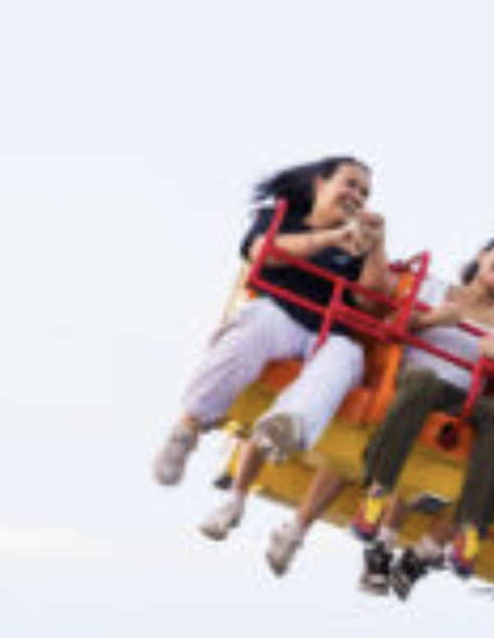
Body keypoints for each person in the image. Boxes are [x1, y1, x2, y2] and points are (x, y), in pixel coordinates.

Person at [153, 157, 392, 570]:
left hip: (324, 331)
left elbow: (372, 301)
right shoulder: (283, 217)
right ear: (321, 183)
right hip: (279, 313)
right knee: (254, 324)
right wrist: (331, 238)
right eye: (350, 185)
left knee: (348, 356)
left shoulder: (358, 245)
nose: (356, 196)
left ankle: (286, 427)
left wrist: (376, 244)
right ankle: (188, 428)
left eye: (365, 193)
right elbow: (263, 252)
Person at [354, 233, 494, 596]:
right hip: (416, 382)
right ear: (483, 255)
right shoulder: (434, 289)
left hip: (464, 399)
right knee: (422, 380)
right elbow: (388, 327)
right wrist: (432, 319)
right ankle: (378, 488)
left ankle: (471, 527)